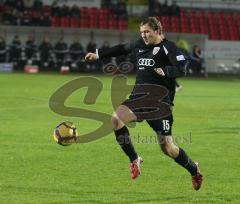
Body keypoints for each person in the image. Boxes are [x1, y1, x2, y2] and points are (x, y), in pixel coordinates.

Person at [84, 17, 203, 190]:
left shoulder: (168, 48)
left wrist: (166, 70)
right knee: (116, 119)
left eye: (147, 32)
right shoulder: (140, 45)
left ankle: (194, 170)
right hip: (139, 99)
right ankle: (134, 159)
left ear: (157, 31)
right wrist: (99, 54)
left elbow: (182, 68)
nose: (144, 35)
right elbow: (121, 49)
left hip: (160, 105)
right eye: (142, 32)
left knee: (168, 148)